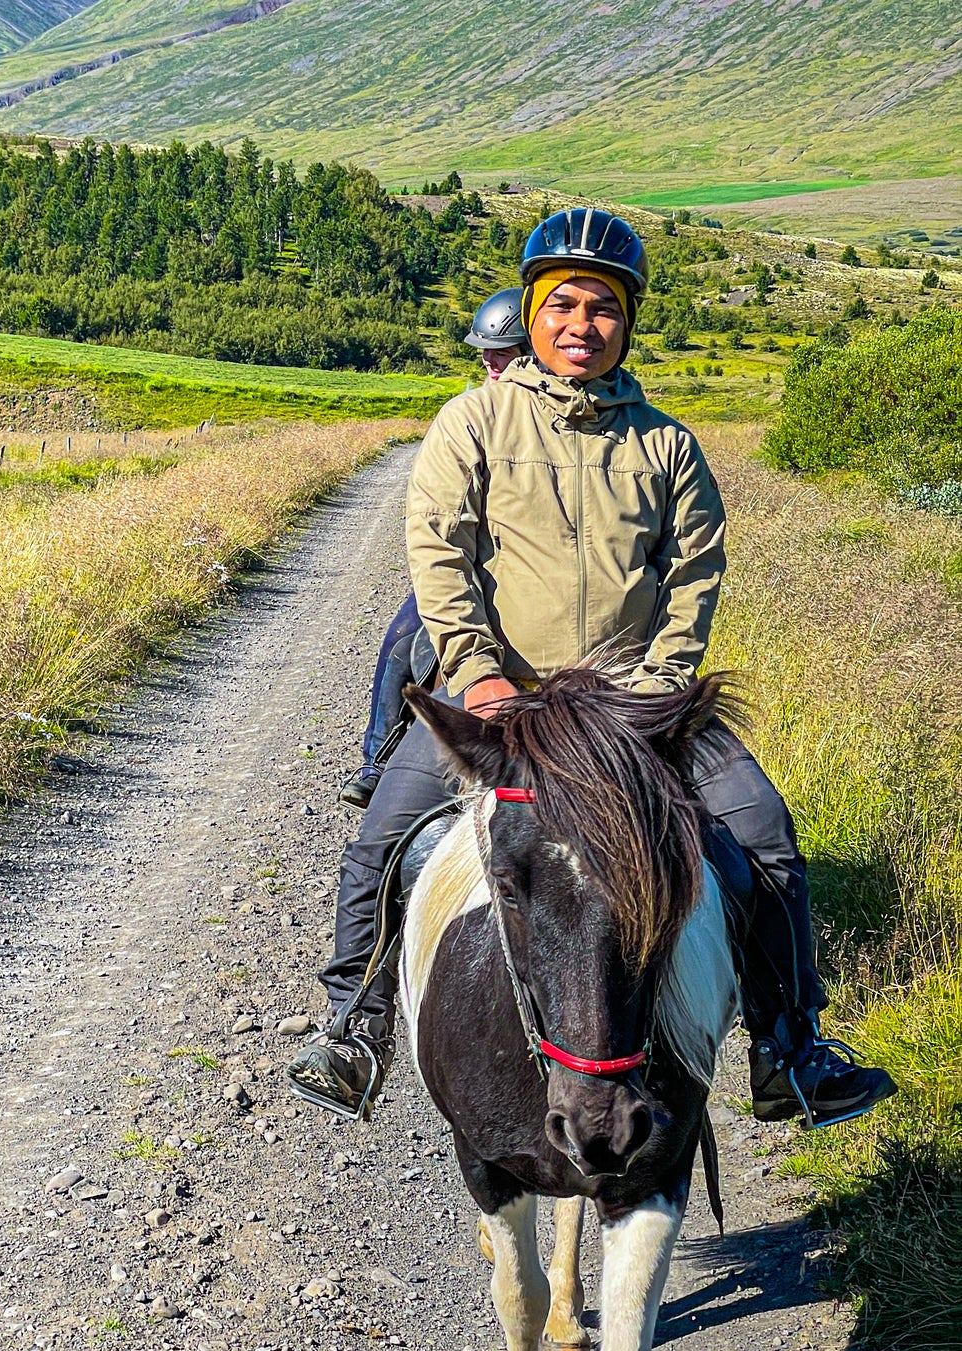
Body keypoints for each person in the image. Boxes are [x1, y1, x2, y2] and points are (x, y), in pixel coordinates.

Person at [290, 206, 896, 1133]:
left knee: (762, 836)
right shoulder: (473, 423)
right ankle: (357, 1025)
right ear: (532, 312)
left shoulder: (666, 444)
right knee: (384, 837)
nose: (582, 323)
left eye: (603, 307)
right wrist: (477, 672)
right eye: (563, 302)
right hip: (502, 696)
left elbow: (693, 570)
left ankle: (788, 1048)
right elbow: (438, 555)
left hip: (630, 704)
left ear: (628, 320)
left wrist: (662, 682)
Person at [338, 289, 529, 810]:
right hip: (471, 570)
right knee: (402, 637)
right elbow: (442, 524)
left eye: (505, 350)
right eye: (486, 350)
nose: (491, 360)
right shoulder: (467, 415)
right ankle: (377, 760)